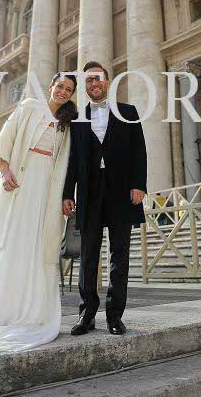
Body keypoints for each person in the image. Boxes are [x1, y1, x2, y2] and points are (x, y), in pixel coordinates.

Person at [0, 72, 77, 352]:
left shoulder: (67, 123)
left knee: (39, 245)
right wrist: (5, 172)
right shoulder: (29, 106)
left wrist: (66, 196)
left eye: (69, 89)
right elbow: (6, 139)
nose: (63, 92)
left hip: (48, 189)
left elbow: (67, 163)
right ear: (50, 86)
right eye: (60, 86)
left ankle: (36, 313)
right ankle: (5, 314)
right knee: (14, 243)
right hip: (20, 182)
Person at [62, 61, 147, 336]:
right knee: (88, 255)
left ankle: (115, 316)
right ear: (85, 87)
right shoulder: (76, 119)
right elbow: (72, 160)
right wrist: (67, 193)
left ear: (107, 82)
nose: (94, 84)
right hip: (89, 191)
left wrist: (139, 185)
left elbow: (139, 150)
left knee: (119, 255)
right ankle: (86, 315)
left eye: (98, 79)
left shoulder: (128, 112)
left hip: (121, 190)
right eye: (89, 81)